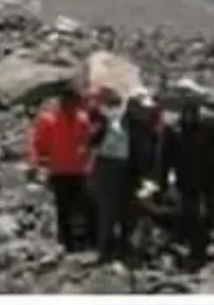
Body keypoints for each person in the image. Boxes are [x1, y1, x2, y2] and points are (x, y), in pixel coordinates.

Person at [159, 96, 214, 267]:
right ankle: (196, 252)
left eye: (192, 114)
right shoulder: (174, 131)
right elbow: (165, 160)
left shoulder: (210, 126)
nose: (189, 118)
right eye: (186, 114)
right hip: (187, 180)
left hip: (212, 178)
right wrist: (163, 184)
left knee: (213, 213)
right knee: (191, 216)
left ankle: (204, 244)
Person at [26, 82, 94, 251]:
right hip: (60, 170)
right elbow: (38, 143)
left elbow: (87, 143)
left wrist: (86, 154)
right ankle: (67, 242)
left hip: (77, 169)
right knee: (64, 206)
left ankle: (79, 240)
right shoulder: (49, 120)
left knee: (79, 205)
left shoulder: (81, 119)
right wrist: (37, 162)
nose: (71, 106)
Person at [86, 87, 137, 262]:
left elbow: (92, 142)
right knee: (116, 209)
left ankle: (109, 248)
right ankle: (115, 247)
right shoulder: (118, 119)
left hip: (111, 165)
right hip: (117, 166)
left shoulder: (109, 119)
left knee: (110, 210)